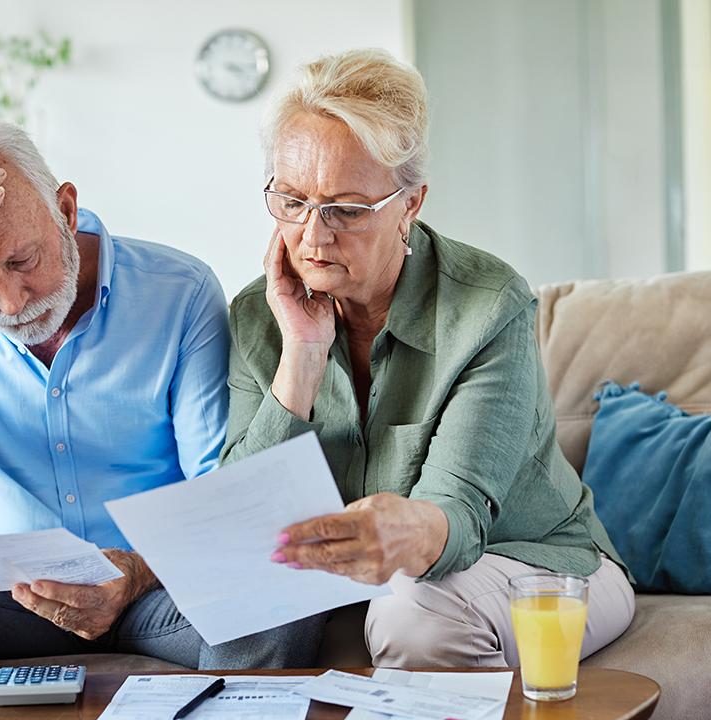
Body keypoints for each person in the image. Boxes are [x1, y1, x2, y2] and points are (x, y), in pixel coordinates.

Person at [0, 118, 324, 677]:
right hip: (12, 592)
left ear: (66, 212)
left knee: (280, 561)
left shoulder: (180, 292)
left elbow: (218, 493)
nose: (9, 300)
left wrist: (136, 571)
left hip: (160, 588)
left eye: (23, 262)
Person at [222, 49, 635, 667]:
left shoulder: (487, 306)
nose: (312, 234)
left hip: (537, 562)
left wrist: (403, 530)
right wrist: (303, 353)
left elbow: (458, 515)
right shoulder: (261, 311)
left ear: (410, 203)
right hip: (370, 586)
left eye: (346, 209)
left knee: (413, 612)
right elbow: (239, 522)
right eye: (292, 200)